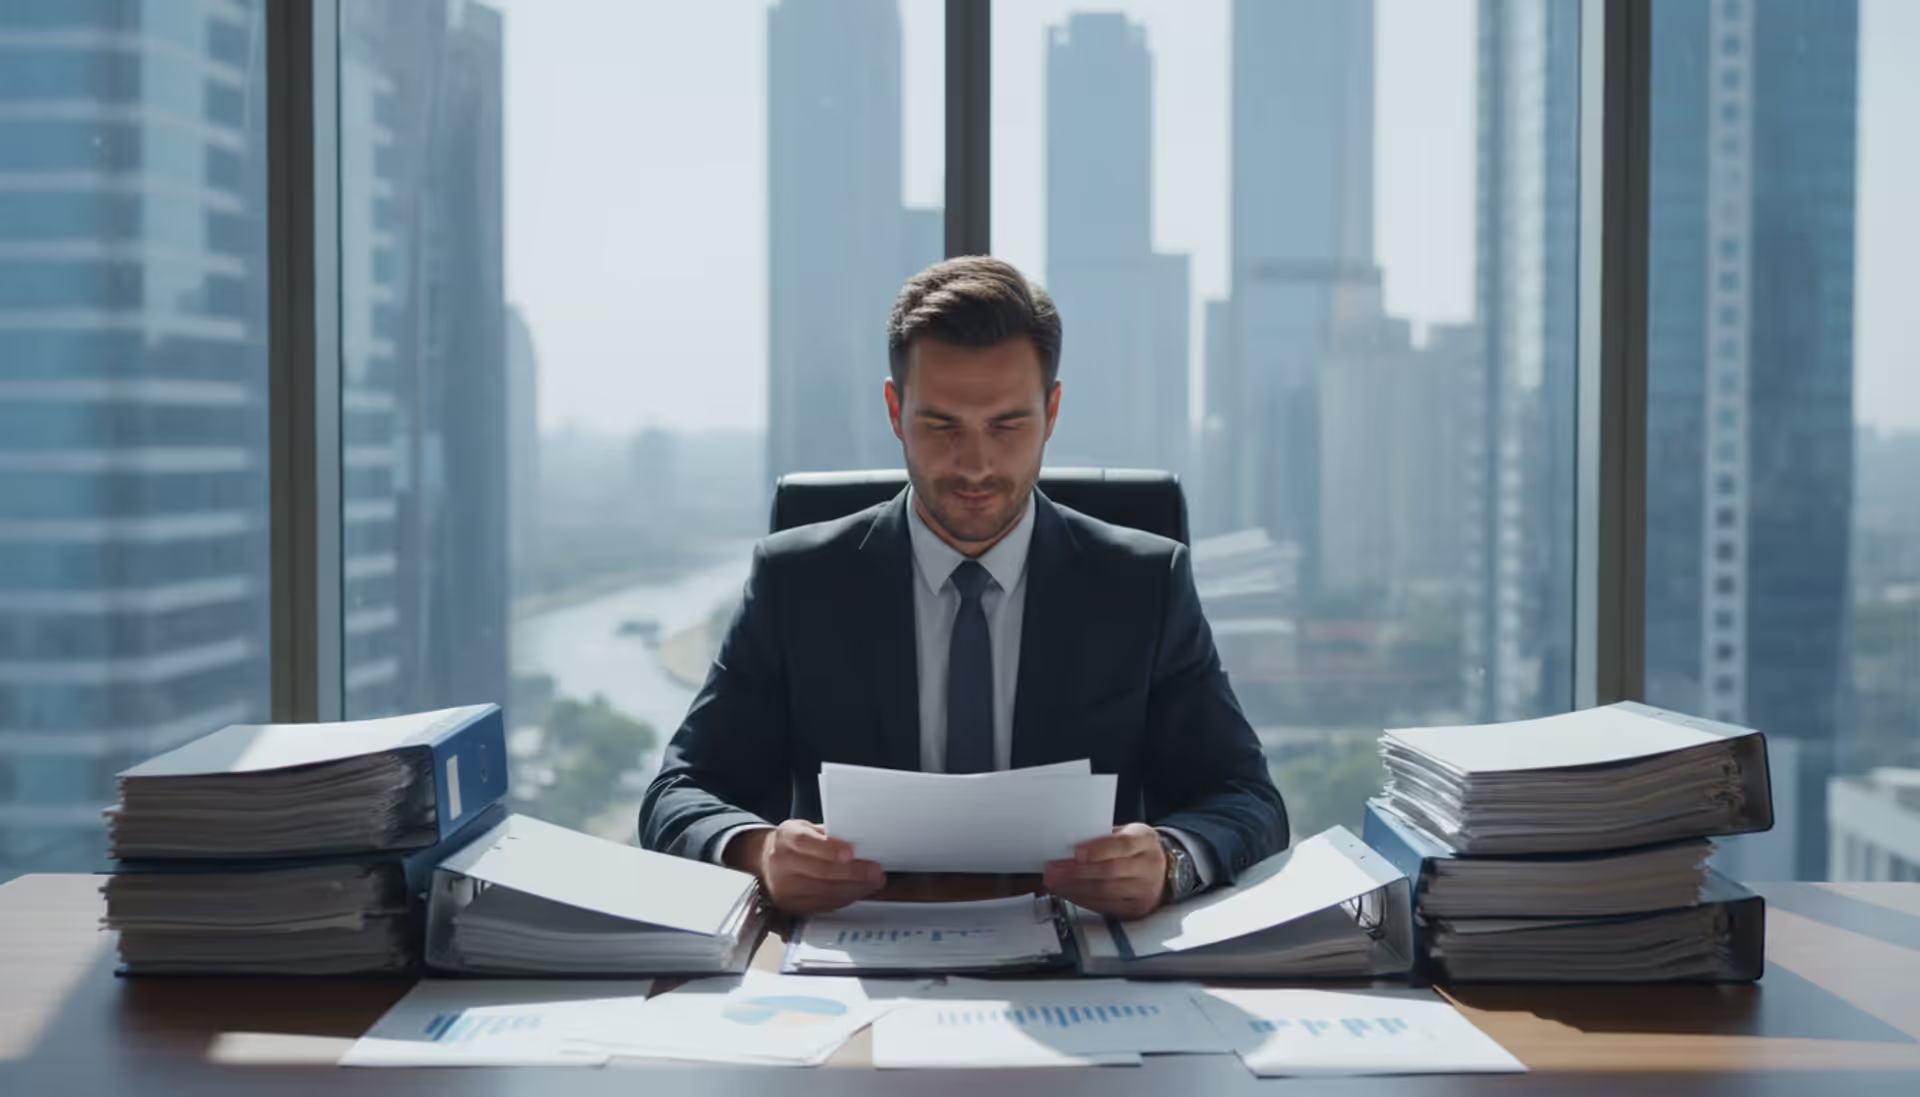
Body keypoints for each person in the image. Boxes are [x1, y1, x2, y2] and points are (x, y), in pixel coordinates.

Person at [639, 256, 1288, 918]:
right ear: (895, 410)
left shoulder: (1144, 585)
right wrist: (758, 849)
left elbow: (1248, 801)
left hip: (1081, 960)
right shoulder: (797, 582)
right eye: (941, 424)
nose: (976, 464)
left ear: (1052, 410)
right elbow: (677, 793)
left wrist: (1171, 859)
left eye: (1007, 425)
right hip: (859, 960)